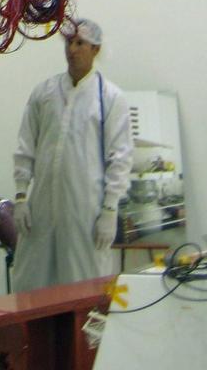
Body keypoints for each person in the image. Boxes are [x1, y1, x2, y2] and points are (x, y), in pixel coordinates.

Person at [9, 17, 133, 290]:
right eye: (69, 42)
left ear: (95, 49)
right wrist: (20, 196)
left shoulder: (110, 98)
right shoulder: (45, 93)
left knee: (83, 285)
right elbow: (26, 146)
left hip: (85, 212)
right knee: (32, 281)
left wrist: (110, 211)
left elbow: (120, 158)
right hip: (41, 207)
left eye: (80, 43)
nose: (72, 50)